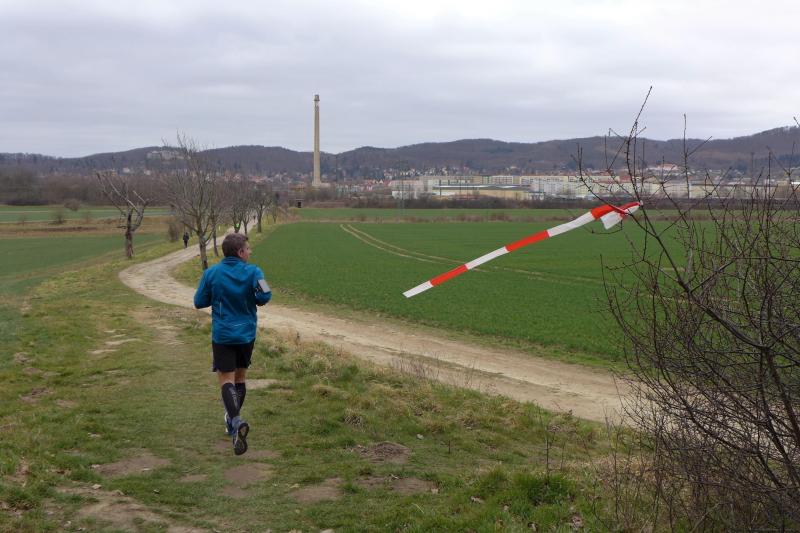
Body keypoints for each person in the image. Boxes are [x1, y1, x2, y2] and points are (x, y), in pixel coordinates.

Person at [193, 233, 271, 455]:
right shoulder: (255, 272)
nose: (250, 252)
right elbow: (265, 295)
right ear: (240, 252)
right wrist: (252, 297)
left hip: (223, 335)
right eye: (248, 248)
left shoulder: (211, 273)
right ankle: (233, 422)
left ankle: (235, 421)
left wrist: (217, 297)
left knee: (226, 380)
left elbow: (199, 301)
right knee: (240, 378)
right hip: (246, 335)